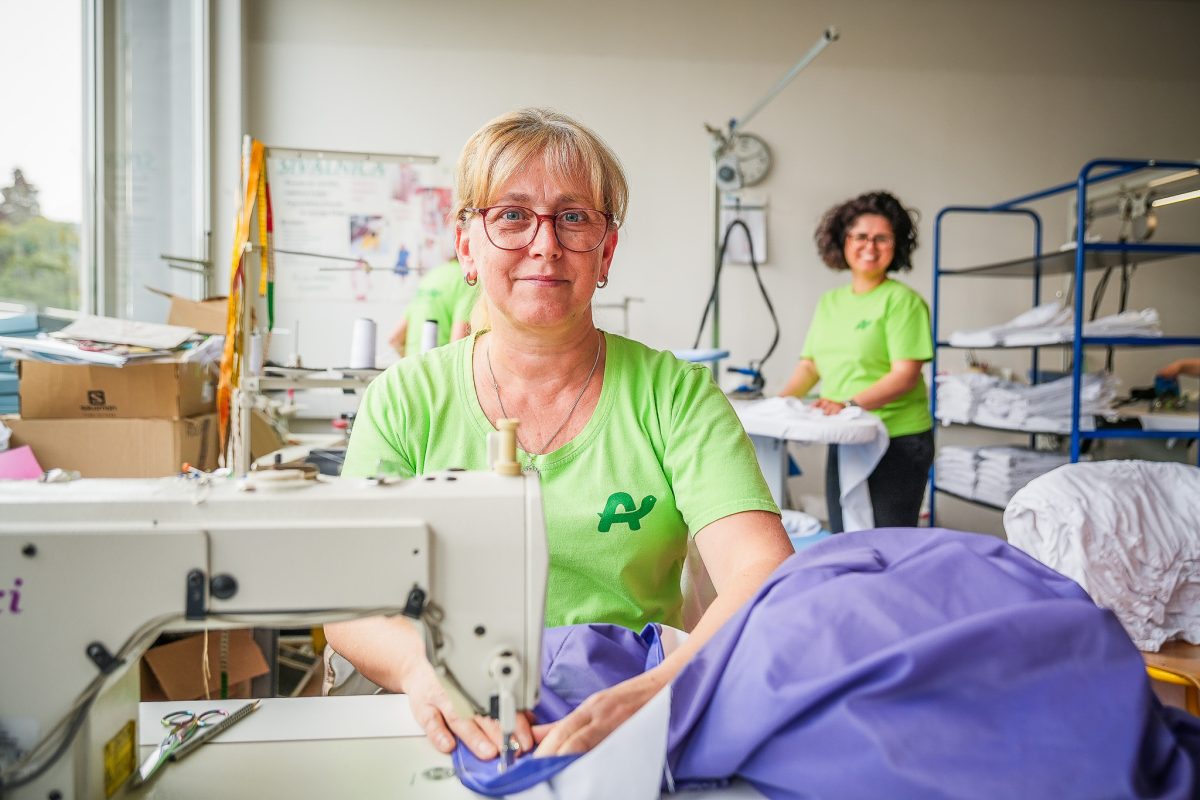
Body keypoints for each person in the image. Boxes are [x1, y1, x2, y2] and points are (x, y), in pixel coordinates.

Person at [326, 108, 792, 761]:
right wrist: (419, 670)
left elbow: (762, 570)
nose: (545, 243)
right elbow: (349, 599)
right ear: (466, 246)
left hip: (633, 711)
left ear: (606, 251)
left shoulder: (676, 398)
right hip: (456, 715)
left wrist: (661, 688)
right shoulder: (404, 399)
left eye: (574, 218)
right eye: (512, 215)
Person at [778, 191, 933, 532]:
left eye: (882, 238)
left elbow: (905, 375)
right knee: (844, 534)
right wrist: (779, 404)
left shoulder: (903, 302)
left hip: (898, 439)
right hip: (846, 434)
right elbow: (811, 366)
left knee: (886, 542)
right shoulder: (830, 303)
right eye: (861, 236)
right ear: (843, 241)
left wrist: (847, 403)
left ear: (897, 247)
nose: (870, 247)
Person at [387, 258, 479, 356]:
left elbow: (395, 339)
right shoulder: (469, 279)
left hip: (412, 367)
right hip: (440, 367)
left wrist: (412, 363)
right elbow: (458, 345)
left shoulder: (431, 276)